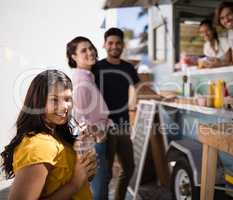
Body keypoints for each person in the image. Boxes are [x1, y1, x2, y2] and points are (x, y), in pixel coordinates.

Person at [1, 70, 96, 200]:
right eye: (54, 100)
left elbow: (75, 178)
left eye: (68, 99)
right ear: (37, 102)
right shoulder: (38, 146)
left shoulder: (57, 134)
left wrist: (85, 162)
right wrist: (74, 184)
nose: (64, 107)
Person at [92, 27, 140, 200]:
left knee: (129, 168)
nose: (114, 46)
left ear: (123, 46)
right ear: (105, 45)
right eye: (110, 42)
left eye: (118, 43)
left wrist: (163, 96)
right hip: (104, 128)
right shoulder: (97, 68)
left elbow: (139, 88)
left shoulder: (128, 68)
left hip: (123, 126)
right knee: (106, 173)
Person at [66, 36, 111, 200]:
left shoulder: (87, 76)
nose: (90, 52)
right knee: (98, 192)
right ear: (74, 57)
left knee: (98, 188)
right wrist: (97, 136)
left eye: (91, 48)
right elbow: (78, 119)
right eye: (83, 50)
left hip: (96, 140)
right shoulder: (80, 80)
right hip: (92, 144)